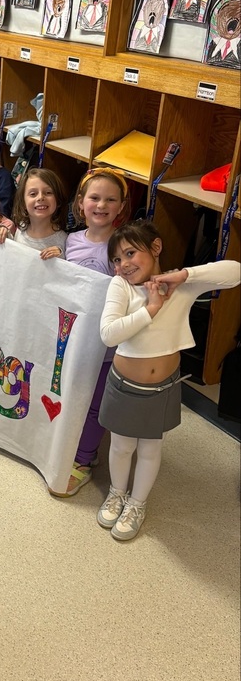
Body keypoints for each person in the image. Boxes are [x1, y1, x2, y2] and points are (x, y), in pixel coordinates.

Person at [96, 221, 239, 541]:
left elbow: (235, 272)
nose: (123, 264)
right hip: (124, 386)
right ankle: (117, 493)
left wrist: (185, 275)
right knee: (121, 446)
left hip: (161, 388)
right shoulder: (120, 286)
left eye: (130, 253)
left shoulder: (181, 285)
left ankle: (137, 504)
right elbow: (108, 334)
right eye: (116, 259)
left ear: (156, 247)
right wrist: (150, 308)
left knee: (150, 448)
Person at [50, 171, 129, 498]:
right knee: (70, 395)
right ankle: (67, 444)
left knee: (94, 403)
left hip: (106, 345)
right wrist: (56, 262)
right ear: (80, 203)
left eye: (111, 200)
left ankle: (83, 459)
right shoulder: (70, 241)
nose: (102, 205)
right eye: (95, 198)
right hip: (72, 340)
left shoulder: (123, 247)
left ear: (121, 206)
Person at [11, 167, 67, 258]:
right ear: (23, 202)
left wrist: (60, 256)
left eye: (48, 192)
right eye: (33, 194)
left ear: (58, 199)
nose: (40, 197)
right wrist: (1, 230)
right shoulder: (19, 230)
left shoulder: (64, 240)